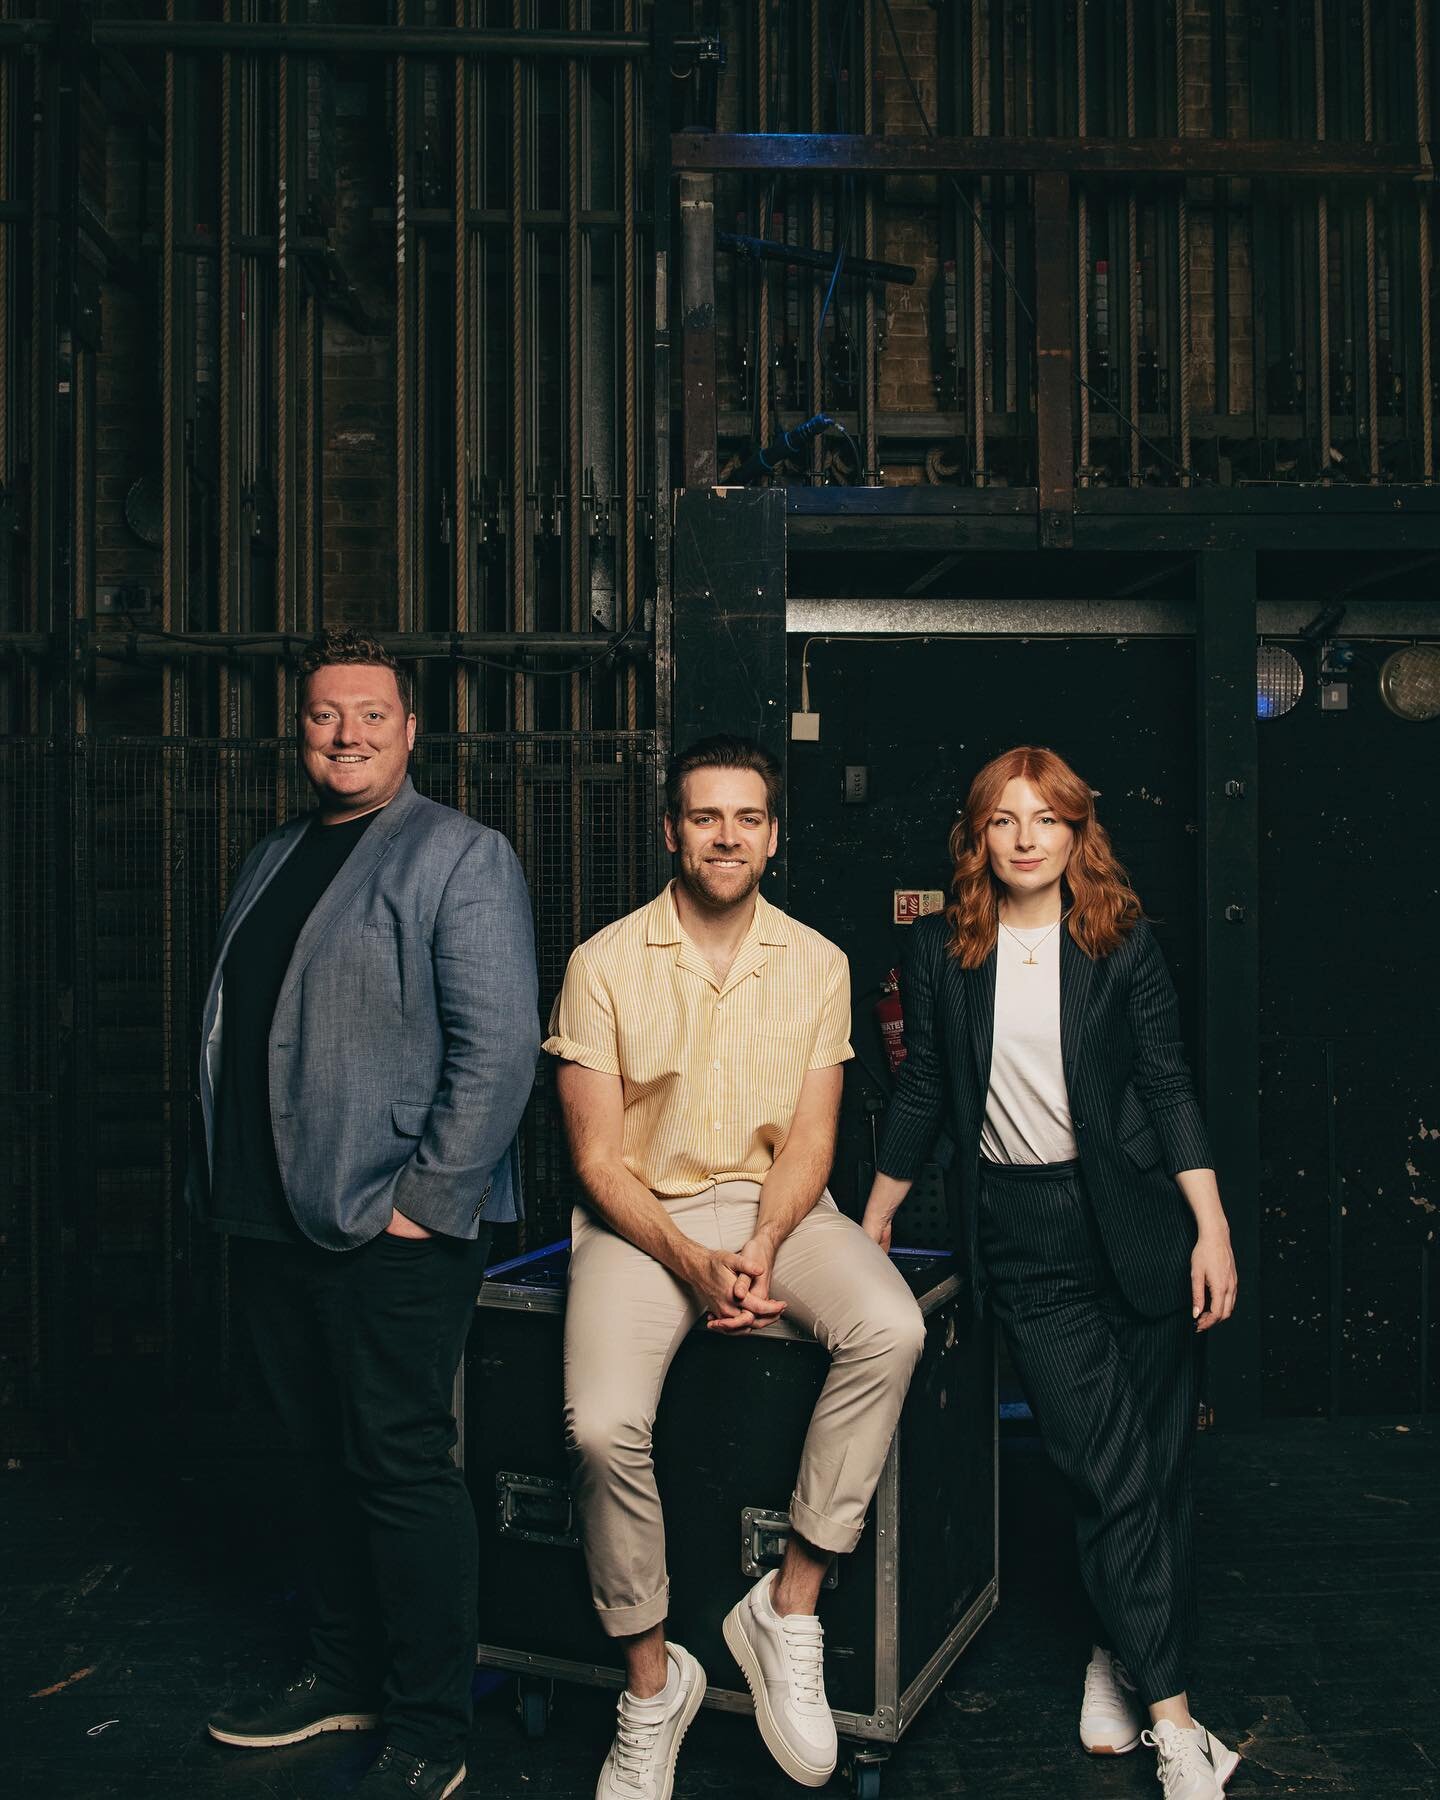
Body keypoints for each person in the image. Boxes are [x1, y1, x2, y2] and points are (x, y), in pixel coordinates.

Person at [188, 626, 539, 1800]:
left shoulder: (460, 855)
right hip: (267, 1216)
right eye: (327, 716)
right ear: (303, 729)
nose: (346, 735)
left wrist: (426, 1207)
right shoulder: (274, 851)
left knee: (398, 1465)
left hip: (390, 1223)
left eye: (372, 717)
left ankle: (433, 1724)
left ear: (410, 731)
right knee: (309, 1459)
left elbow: (496, 1057)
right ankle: (341, 1674)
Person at [545, 733, 925, 1800]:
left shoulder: (816, 962)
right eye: (705, 817)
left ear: (771, 834)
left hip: (780, 1212)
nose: (726, 835)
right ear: (672, 831)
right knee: (600, 1425)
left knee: (893, 1328)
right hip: (642, 1219)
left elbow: (810, 1142)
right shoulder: (603, 963)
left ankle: (787, 1605)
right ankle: (652, 1683)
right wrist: (690, 1258)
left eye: (747, 818)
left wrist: (758, 1245)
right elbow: (594, 1160)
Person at [862, 745, 1240, 1800]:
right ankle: (1177, 1726)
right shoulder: (942, 951)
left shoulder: (1119, 944)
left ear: (1079, 833)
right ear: (977, 837)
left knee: (1155, 1475)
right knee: (1108, 1471)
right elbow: (926, 1084)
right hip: (1027, 1239)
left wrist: (1211, 1229)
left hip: (1137, 1225)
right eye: (1003, 820)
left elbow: (1167, 1084)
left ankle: (1115, 1662)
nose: (1025, 838)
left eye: (1047, 819)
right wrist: (878, 1213)